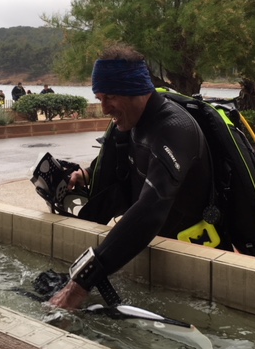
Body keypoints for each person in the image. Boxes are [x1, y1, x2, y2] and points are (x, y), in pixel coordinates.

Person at [48, 44, 214, 310]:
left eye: (110, 97)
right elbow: (121, 162)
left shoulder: (175, 129)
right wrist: (87, 173)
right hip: (149, 248)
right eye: (99, 98)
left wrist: (80, 284)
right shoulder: (132, 123)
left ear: (137, 90)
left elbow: (150, 210)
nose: (104, 109)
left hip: (191, 259)